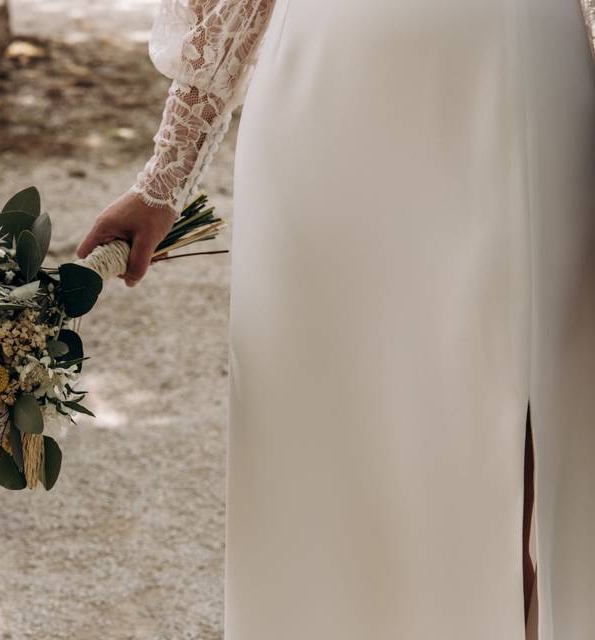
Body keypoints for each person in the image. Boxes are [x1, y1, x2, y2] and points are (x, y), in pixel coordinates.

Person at [76, 1, 595, 638]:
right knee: (322, 438)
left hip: (510, 74)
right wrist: (162, 181)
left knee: (510, 423)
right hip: (325, 104)